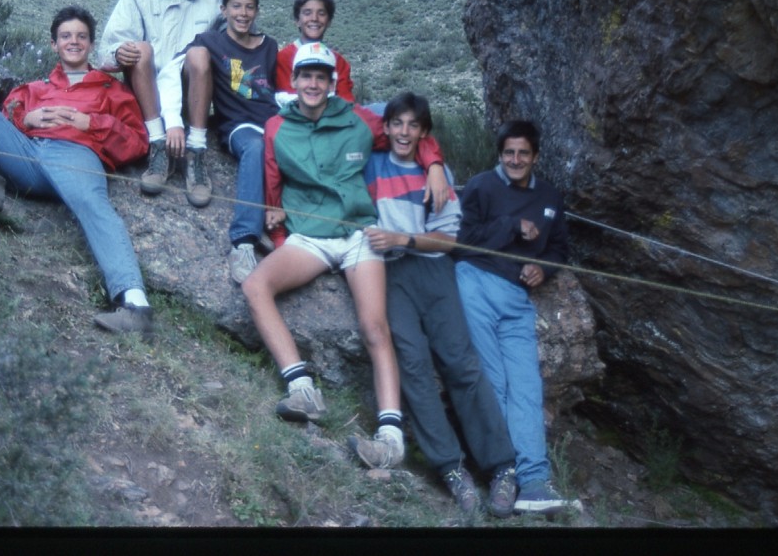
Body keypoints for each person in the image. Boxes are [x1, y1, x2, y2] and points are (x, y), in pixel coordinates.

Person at [241, 42, 450, 471]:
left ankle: (390, 437)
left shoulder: (358, 119)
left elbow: (406, 134)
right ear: (294, 81)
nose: (313, 83)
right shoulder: (278, 128)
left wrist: (434, 164)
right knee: (255, 284)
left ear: (332, 82)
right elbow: (274, 187)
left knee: (375, 327)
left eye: (322, 76)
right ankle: (301, 387)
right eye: (306, 76)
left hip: (358, 233)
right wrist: (278, 229)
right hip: (311, 237)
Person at [0, 6, 156, 334]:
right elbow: (6, 114)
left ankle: (135, 305)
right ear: (54, 44)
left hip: (75, 154)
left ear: (91, 44)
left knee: (94, 207)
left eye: (81, 36)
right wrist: (26, 119)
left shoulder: (111, 90)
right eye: (66, 36)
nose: (74, 42)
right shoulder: (35, 88)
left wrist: (90, 123)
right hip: (28, 155)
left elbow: (138, 141)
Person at [362, 92, 518, 516]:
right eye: (397, 123)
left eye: (414, 126)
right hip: (389, 273)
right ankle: (452, 469)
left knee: (460, 362)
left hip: (432, 268)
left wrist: (403, 236)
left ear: (424, 132)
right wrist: (428, 155)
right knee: (412, 365)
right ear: (387, 127)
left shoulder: (439, 174)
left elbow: (450, 238)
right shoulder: (370, 161)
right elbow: (359, 112)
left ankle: (502, 467)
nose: (404, 133)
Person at [455, 119, 576, 515]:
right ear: (500, 154)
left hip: (518, 297)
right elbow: (462, 242)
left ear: (536, 156)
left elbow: (559, 248)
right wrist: (510, 225)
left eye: (524, 153)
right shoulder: (480, 186)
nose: (516, 159)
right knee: (495, 381)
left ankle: (535, 483)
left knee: (526, 386)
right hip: (475, 282)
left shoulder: (550, 196)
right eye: (509, 152)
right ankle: (503, 474)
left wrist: (545, 270)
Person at [98, 0, 221, 196]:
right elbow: (106, 49)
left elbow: (231, 43)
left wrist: (238, 3)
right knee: (140, 49)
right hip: (148, 96)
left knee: (200, 53)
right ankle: (158, 145)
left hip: (190, 97)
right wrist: (118, 53)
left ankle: (196, 151)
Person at [181, 0, 279, 283]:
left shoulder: (270, 47)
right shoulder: (211, 42)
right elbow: (183, 67)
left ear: (257, 12)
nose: (243, 13)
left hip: (274, 122)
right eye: (236, 6)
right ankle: (243, 241)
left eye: (250, 7)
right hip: (240, 126)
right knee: (256, 149)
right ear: (223, 10)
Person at [274, 0, 355, 103]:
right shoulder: (282, 59)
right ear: (297, 20)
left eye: (321, 13)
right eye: (307, 13)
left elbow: (347, 104)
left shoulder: (340, 63)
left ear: (329, 21)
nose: (314, 18)